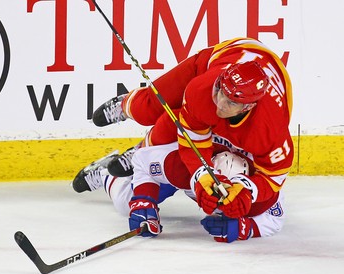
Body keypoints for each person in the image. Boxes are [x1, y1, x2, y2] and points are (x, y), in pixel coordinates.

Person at [82, 37, 293, 242]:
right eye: (221, 91)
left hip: (203, 163)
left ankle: (119, 166)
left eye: (229, 102)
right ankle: (128, 108)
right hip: (228, 56)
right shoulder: (205, 90)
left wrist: (242, 219)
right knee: (150, 106)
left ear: (248, 107)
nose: (219, 102)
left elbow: (273, 182)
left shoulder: (269, 129)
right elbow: (188, 134)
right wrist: (200, 175)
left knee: (127, 202)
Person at [72, 143, 285, 243]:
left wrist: (242, 227)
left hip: (199, 172)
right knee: (125, 203)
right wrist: (143, 201)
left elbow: (275, 218)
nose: (222, 198)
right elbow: (143, 161)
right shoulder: (186, 162)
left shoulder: (264, 181)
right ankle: (105, 173)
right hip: (174, 153)